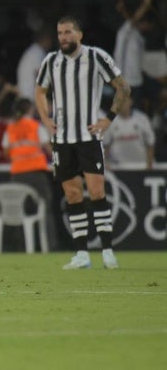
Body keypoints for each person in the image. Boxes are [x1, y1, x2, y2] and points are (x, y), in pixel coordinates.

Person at [35, 16, 130, 270]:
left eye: (67, 32)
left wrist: (108, 119)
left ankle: (108, 251)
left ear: (80, 34)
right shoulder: (51, 61)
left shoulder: (97, 57)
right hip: (63, 140)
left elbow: (123, 87)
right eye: (59, 33)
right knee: (73, 196)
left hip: (89, 137)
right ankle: (82, 254)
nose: (63, 37)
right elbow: (39, 91)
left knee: (97, 193)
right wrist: (46, 119)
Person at [2, 97, 57, 250]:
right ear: (30, 110)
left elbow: (6, 152)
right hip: (36, 173)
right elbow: (48, 149)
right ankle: (49, 245)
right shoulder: (35, 126)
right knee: (45, 207)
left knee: (20, 210)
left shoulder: (11, 128)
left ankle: (21, 247)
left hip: (17, 174)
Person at [103, 95, 155, 170]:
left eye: (125, 100)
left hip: (141, 165)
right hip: (118, 167)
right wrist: (105, 163)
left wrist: (149, 163)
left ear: (131, 101)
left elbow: (150, 143)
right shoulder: (110, 121)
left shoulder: (142, 118)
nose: (122, 104)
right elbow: (106, 145)